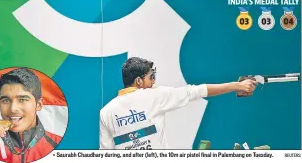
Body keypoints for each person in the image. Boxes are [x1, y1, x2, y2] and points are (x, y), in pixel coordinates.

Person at [99, 57, 257, 149]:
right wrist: (237, 85)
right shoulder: (154, 96)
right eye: (151, 77)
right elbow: (198, 91)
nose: (154, 82)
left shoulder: (106, 112)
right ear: (139, 81)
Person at [0, 68, 62, 163]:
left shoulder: (59, 145)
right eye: (6, 100)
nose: (13, 109)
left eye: (22, 99)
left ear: (39, 105)